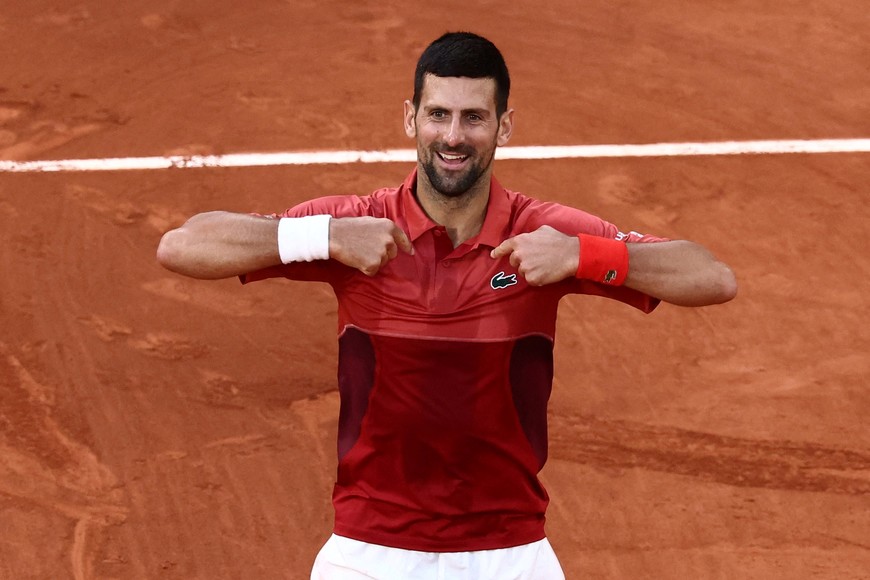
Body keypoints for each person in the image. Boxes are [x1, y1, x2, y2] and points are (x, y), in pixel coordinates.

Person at [157, 31, 737, 580]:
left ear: (504, 126)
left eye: (474, 118)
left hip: (510, 554)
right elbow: (183, 246)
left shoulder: (544, 232)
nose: (453, 137)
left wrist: (582, 254)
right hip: (368, 555)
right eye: (438, 114)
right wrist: (325, 236)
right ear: (411, 118)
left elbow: (711, 276)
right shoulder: (357, 224)